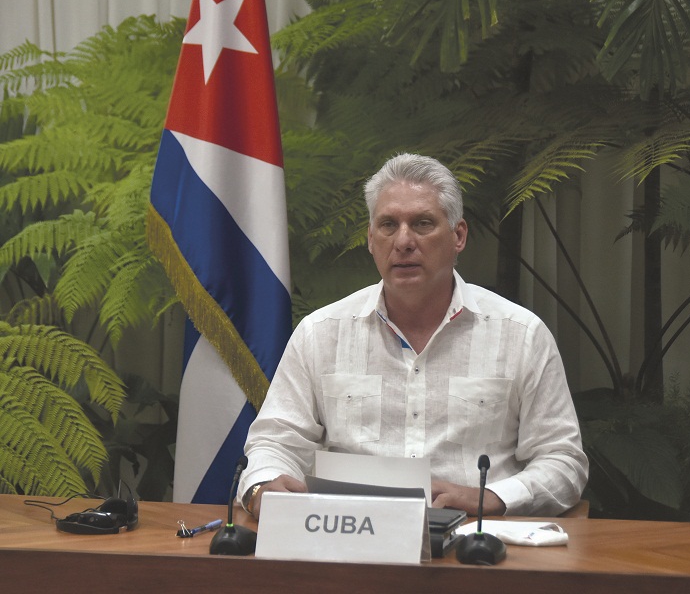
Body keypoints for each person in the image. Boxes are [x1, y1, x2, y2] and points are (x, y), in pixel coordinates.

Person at [238, 152, 588, 519]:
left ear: (458, 236)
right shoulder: (320, 334)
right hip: (347, 539)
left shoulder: (521, 335)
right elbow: (273, 443)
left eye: (422, 224)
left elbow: (562, 461)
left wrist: (492, 497)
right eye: (388, 225)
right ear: (371, 240)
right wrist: (263, 486)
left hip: (477, 544)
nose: (403, 241)